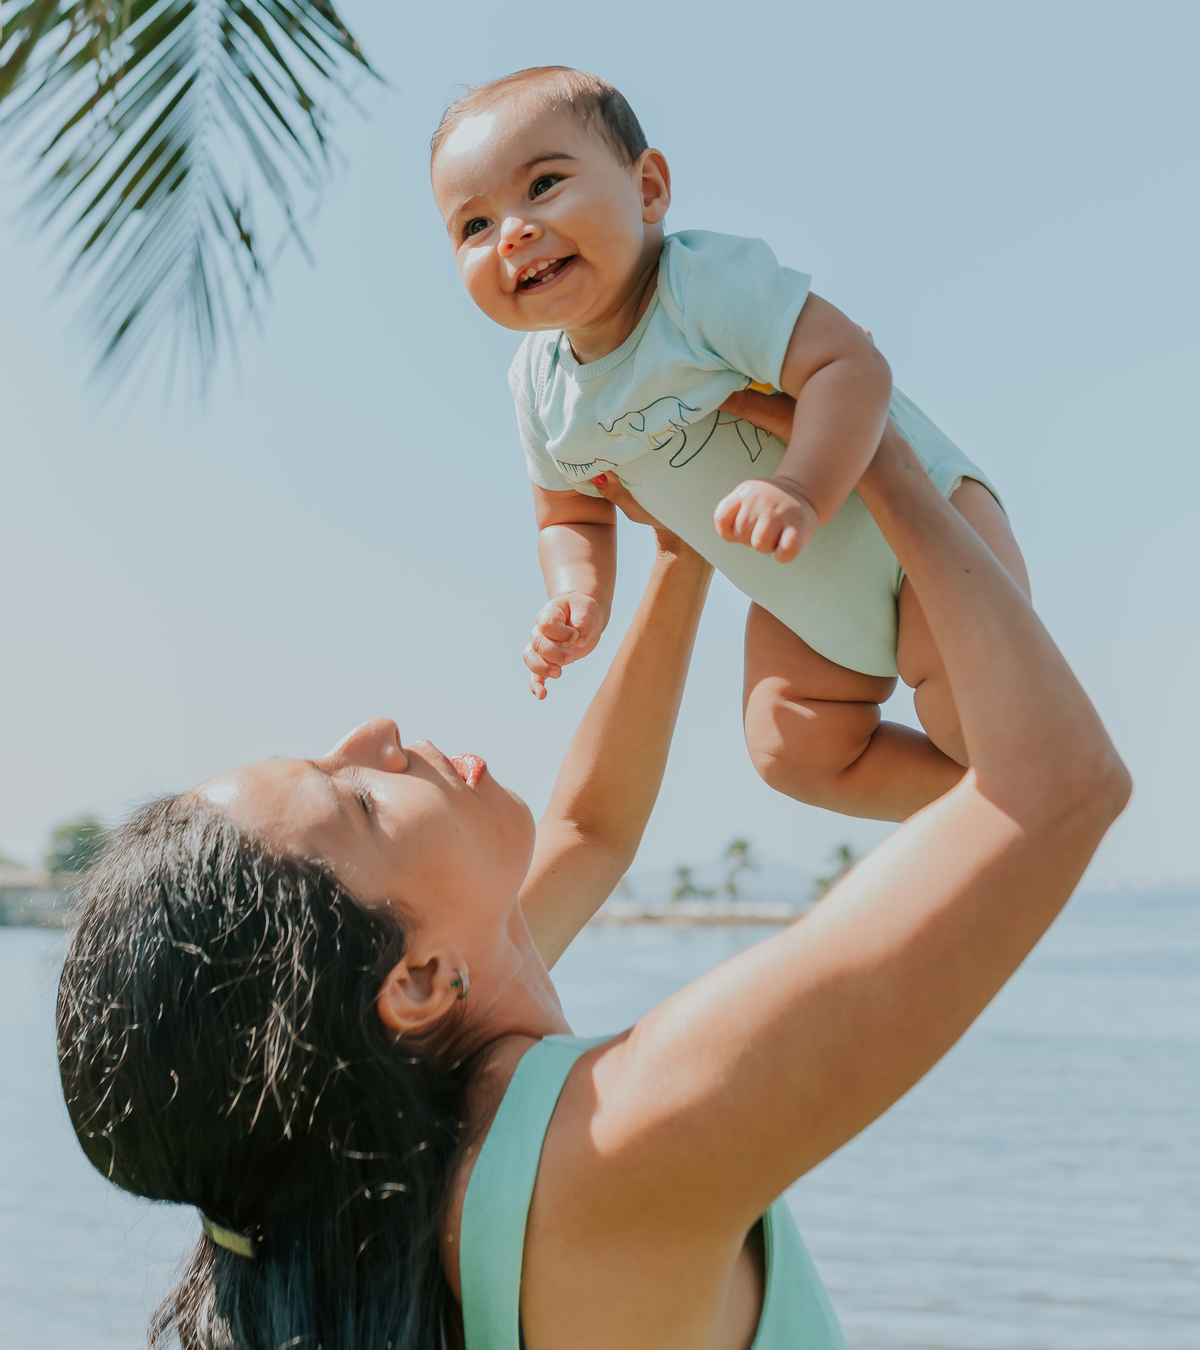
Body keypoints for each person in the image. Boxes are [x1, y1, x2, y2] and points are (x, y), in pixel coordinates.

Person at [58, 417, 1130, 1350]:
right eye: (359, 797)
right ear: (420, 979)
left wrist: (683, 544)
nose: (376, 731)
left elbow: (592, 824)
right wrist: (882, 456)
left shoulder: (423, 1169)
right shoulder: (615, 1141)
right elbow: (1058, 786)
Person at [430, 66, 1032, 821]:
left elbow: (849, 364)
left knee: (973, 721)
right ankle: (997, 813)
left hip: (920, 534)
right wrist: (577, 593)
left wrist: (802, 489)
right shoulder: (539, 387)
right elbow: (570, 515)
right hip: (799, 596)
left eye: (544, 185)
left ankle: (1029, 778)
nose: (511, 230)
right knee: (792, 747)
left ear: (648, 189)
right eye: (474, 226)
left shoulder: (699, 288)